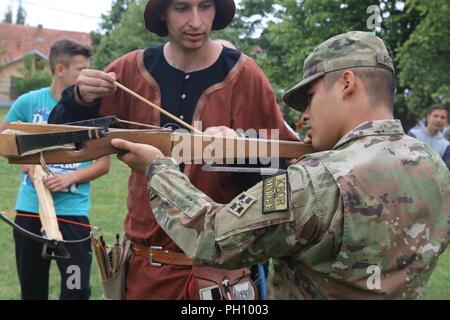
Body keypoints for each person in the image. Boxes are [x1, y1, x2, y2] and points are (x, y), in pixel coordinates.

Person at [111, 31, 450, 299]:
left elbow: (213, 237)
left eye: (311, 97)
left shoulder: (318, 180)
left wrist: (158, 168)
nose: (304, 115)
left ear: (347, 84)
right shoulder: (434, 167)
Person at [48, 0, 298, 300]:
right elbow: (59, 140)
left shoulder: (245, 75)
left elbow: (282, 181)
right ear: (162, 13)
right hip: (144, 272)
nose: (195, 21)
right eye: (182, 8)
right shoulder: (130, 70)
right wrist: (79, 98)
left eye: (205, 6)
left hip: (221, 278)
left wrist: (240, 148)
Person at [0, 39, 110, 300]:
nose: (87, 76)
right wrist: (28, 164)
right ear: (60, 69)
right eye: (81, 70)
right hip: (30, 212)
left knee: (76, 289)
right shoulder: (28, 103)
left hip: (72, 216)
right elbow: (3, 140)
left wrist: (70, 177)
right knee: (33, 290)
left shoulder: (92, 110)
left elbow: (103, 164)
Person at [408, 104, 450, 170]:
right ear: (428, 117)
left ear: (446, 121)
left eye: (442, 117)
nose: (439, 120)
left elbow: (446, 169)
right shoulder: (414, 134)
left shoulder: (446, 145)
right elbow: (409, 159)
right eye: (435, 116)